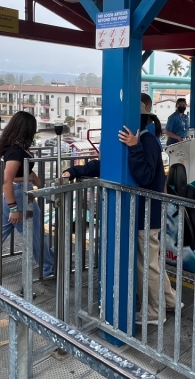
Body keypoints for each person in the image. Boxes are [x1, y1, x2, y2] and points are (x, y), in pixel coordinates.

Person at [64, 112, 176, 325]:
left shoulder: (146, 141)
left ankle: (154, 312)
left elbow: (145, 176)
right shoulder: (137, 140)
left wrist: (134, 147)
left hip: (146, 212)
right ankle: (168, 301)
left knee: (147, 264)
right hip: (142, 211)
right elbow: (107, 165)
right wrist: (75, 170)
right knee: (150, 262)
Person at [0, 111, 55, 279]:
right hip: (19, 196)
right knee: (35, 234)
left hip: (16, 194)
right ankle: (48, 269)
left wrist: (32, 178)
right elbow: (7, 179)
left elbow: (13, 176)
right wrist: (14, 208)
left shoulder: (15, 148)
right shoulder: (16, 152)